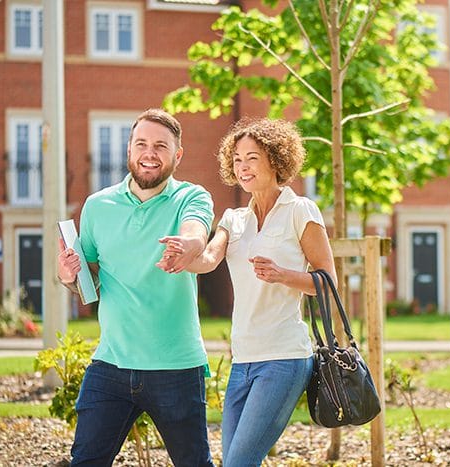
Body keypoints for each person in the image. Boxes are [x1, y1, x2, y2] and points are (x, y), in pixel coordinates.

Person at [158, 117, 336, 466]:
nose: (243, 167)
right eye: (237, 159)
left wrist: (282, 274)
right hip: (242, 361)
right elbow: (208, 259)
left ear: (276, 159)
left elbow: (328, 283)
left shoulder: (300, 211)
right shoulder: (233, 219)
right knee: (237, 462)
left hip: (284, 358)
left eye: (252, 158)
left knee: (239, 462)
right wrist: (183, 259)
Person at [57, 108, 216, 466]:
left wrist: (188, 246)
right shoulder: (98, 206)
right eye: (141, 143)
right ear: (129, 149)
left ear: (177, 155)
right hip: (110, 365)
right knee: (84, 461)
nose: (149, 153)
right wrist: (69, 277)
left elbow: (196, 231)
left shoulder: (191, 197)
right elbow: (89, 285)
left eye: (161, 146)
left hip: (176, 368)